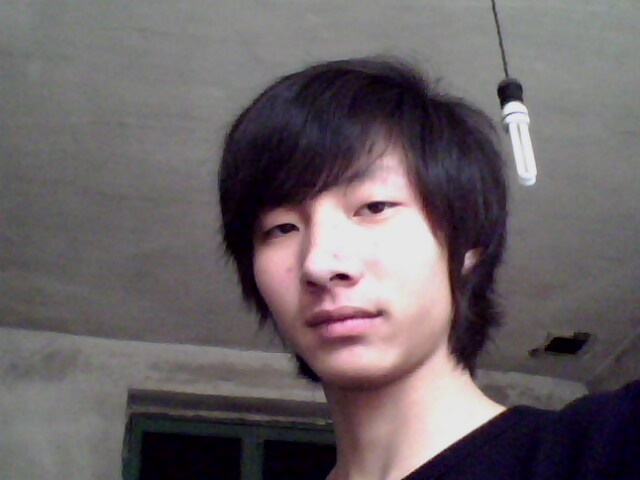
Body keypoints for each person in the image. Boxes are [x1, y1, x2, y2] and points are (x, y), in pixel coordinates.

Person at [217, 57, 639, 480]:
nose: (319, 264)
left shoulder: (604, 448)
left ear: (467, 242)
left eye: (374, 207)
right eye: (281, 228)